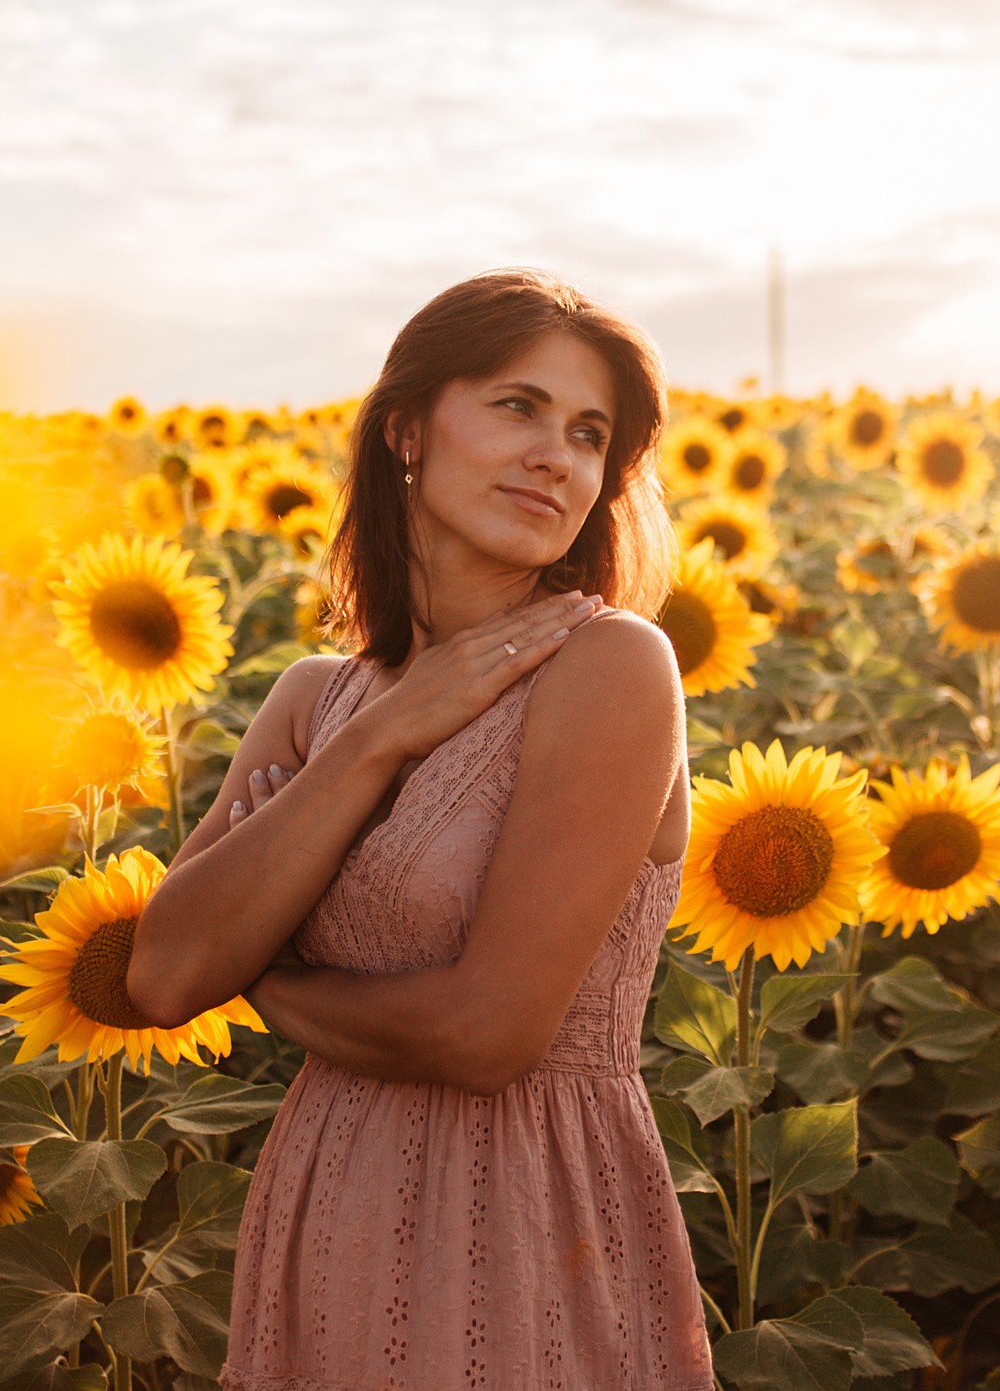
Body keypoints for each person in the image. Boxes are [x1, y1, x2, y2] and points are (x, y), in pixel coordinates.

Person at [124, 269, 715, 1391]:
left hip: (528, 1221)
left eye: (588, 435)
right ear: (405, 429)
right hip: (326, 1209)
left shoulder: (610, 670)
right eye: (516, 405)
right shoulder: (316, 702)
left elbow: (487, 1034)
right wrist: (376, 742)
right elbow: (160, 977)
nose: (556, 455)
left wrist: (268, 977)